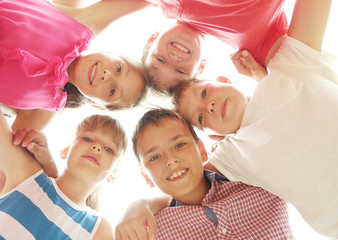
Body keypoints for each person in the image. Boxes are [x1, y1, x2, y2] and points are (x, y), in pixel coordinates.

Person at [169, 0, 338, 237]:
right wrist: (138, 207)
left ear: (223, 80)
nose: (210, 106)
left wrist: (263, 78)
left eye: (205, 93)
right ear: (214, 136)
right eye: (199, 117)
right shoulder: (235, 154)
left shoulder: (288, 63)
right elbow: (178, 189)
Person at [0, 0, 150, 198]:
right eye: (119, 68)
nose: (108, 75)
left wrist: (49, 168)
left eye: (112, 91)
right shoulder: (82, 23)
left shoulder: (45, 108)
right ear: (109, 52)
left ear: (96, 104)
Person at [115, 108, 293, 240]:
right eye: (154, 157)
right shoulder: (153, 232)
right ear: (146, 177)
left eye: (179, 145)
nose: (170, 160)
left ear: (201, 149)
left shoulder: (255, 180)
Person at [0, 91, 127, 239]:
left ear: (114, 173)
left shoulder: (99, 230)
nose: (97, 147)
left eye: (109, 149)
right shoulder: (28, 175)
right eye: (87, 139)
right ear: (66, 150)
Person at [139, 0, 288, 91]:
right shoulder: (254, 52)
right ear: (200, 67)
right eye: (180, 71)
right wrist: (263, 80)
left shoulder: (170, 5)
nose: (174, 58)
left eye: (160, 60)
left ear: (151, 40)